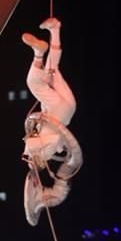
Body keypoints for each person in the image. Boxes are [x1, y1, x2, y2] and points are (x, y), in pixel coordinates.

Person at [22, 18, 76, 168]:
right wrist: (35, 159)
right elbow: (50, 141)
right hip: (58, 112)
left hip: (66, 108)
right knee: (34, 83)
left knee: (51, 70)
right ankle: (38, 54)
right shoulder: (46, 151)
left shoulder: (47, 145)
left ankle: (55, 28)